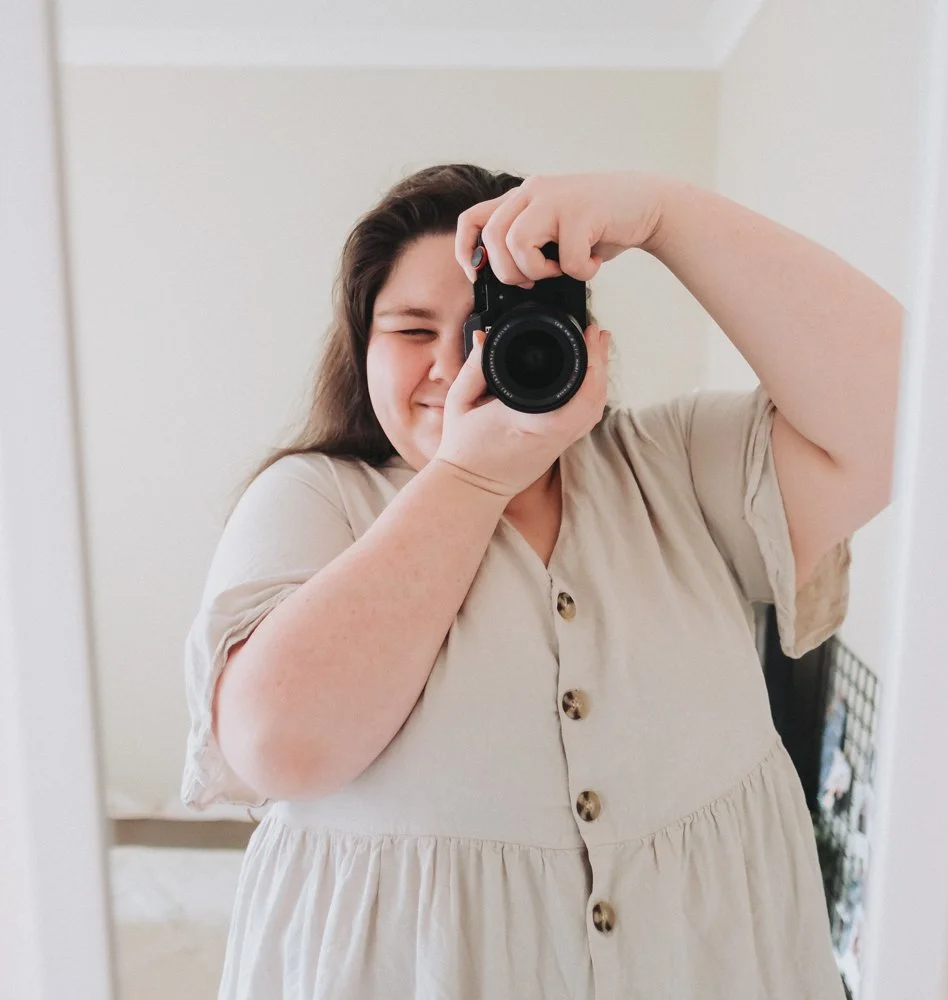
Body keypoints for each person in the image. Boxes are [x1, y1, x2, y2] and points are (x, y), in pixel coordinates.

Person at [181, 164, 902, 999]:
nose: (459, 361)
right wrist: (471, 478)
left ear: (583, 337)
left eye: (496, 324)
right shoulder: (312, 497)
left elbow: (915, 415)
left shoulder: (672, 466)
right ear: (360, 350)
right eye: (413, 330)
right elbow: (279, 744)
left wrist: (663, 214)